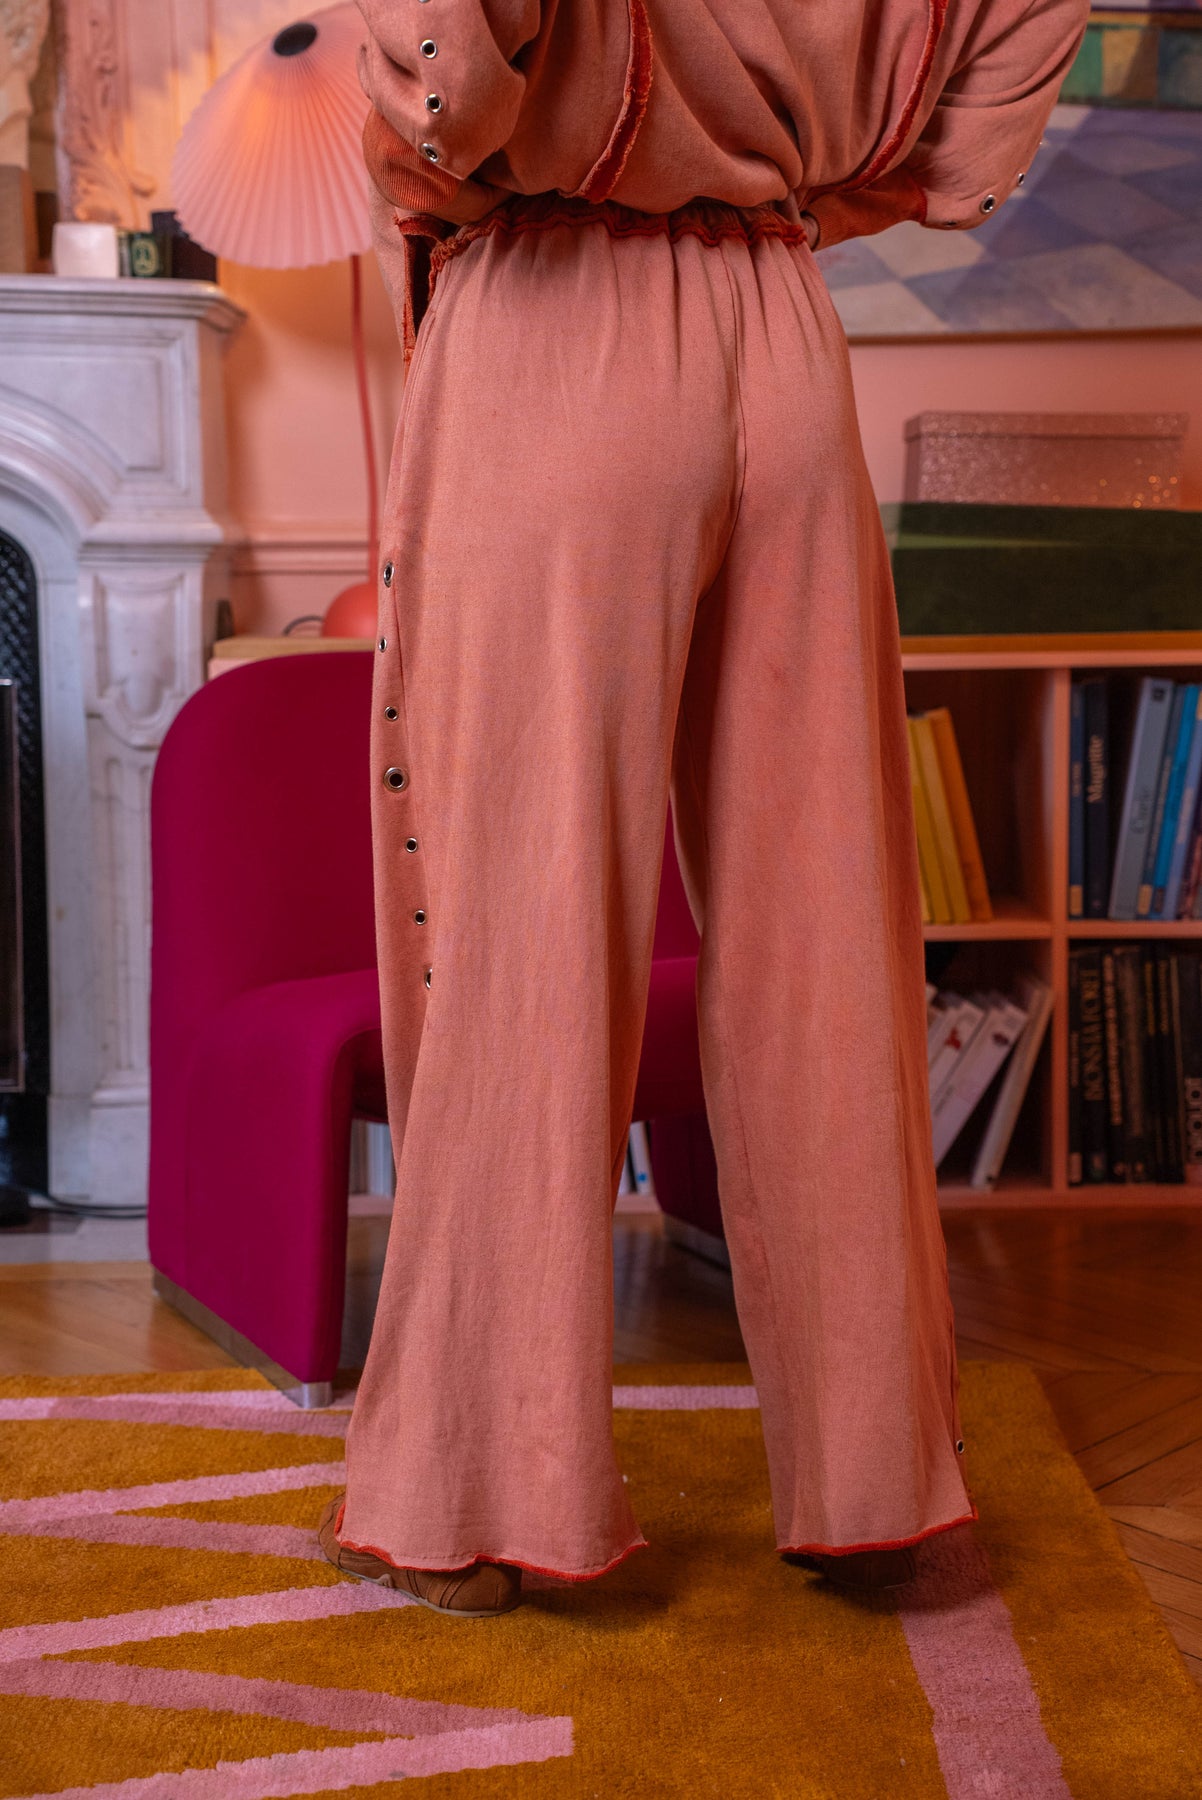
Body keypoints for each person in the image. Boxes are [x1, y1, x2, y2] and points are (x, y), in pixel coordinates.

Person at [317, 0, 1091, 1617]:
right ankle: (879, 1487)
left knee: (524, 928)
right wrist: (754, 169)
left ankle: (479, 1494)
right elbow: (955, 157)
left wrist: (441, 161)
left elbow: (449, 92)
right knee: (825, 931)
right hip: (782, 338)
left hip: (554, 323)